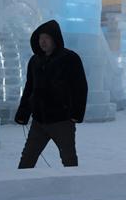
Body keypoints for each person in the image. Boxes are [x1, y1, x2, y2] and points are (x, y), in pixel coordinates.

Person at [14, 20, 88, 168]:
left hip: (62, 121)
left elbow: (80, 87)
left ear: (55, 39)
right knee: (27, 158)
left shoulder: (70, 59)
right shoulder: (35, 61)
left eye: (46, 38)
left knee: (69, 159)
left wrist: (76, 114)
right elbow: (30, 88)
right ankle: (22, 188)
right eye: (40, 38)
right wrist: (23, 113)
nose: (43, 42)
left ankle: (72, 187)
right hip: (39, 121)